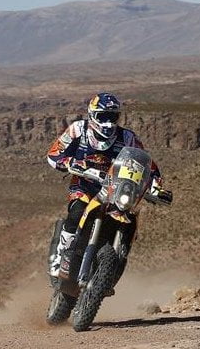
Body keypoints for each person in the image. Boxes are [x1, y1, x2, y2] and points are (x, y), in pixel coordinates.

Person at [46, 92, 162, 277]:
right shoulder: (78, 129)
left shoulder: (127, 137)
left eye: (112, 117)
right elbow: (54, 154)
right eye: (103, 116)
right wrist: (69, 162)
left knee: (130, 219)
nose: (108, 122)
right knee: (76, 212)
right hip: (85, 184)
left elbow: (147, 163)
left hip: (116, 189)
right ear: (92, 115)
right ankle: (60, 255)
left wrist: (156, 183)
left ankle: (112, 269)